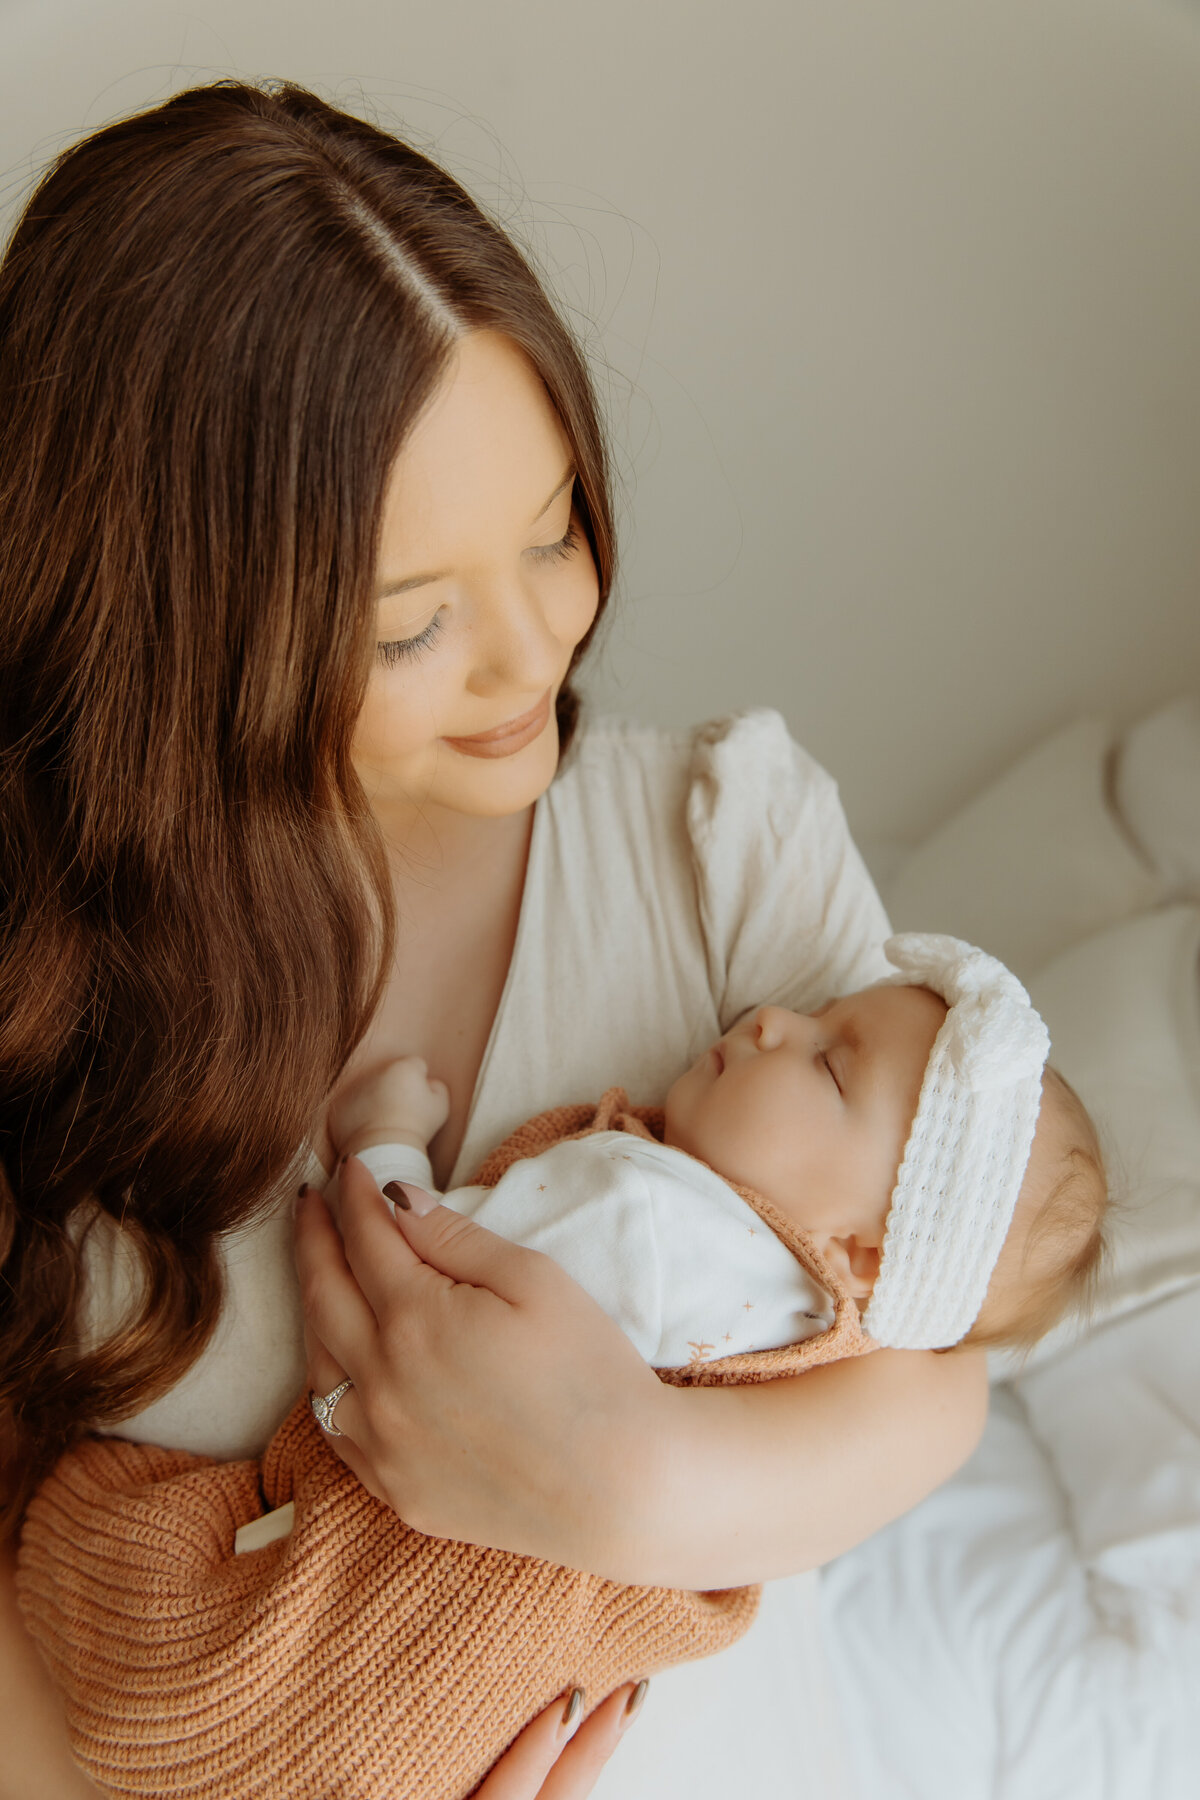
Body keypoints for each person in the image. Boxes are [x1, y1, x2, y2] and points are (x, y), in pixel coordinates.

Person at [0, 80, 989, 1800]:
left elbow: (932, 1381)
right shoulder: (47, 971)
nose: (532, 651)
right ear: (185, 630)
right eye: (415, 623)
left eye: (553, 536)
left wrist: (617, 1472)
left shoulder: (720, 843)